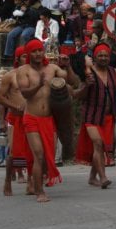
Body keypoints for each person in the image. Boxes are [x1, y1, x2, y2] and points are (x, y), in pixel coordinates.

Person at [17, 39, 79, 202]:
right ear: (29, 54)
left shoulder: (52, 68)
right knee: (38, 154)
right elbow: (24, 93)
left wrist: (67, 65)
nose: (37, 54)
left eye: (39, 50)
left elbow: (72, 81)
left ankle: (37, 181)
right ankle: (40, 192)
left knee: (46, 157)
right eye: (34, 51)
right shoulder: (23, 70)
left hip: (48, 119)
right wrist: (38, 84)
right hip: (31, 118)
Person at [75, 43, 116, 189]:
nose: (103, 58)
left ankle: (92, 177)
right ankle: (103, 177)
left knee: (101, 148)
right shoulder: (88, 72)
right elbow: (78, 95)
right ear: (94, 57)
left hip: (108, 117)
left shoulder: (114, 72)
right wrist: (86, 85)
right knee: (98, 143)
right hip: (91, 116)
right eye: (100, 55)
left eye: (106, 56)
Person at [0, 46, 30, 196]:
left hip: (32, 117)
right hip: (15, 118)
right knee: (13, 151)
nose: (27, 58)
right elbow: (0, 98)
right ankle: (7, 181)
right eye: (24, 56)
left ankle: (31, 182)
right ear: (17, 59)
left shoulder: (35, 74)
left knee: (34, 150)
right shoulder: (10, 76)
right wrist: (15, 106)